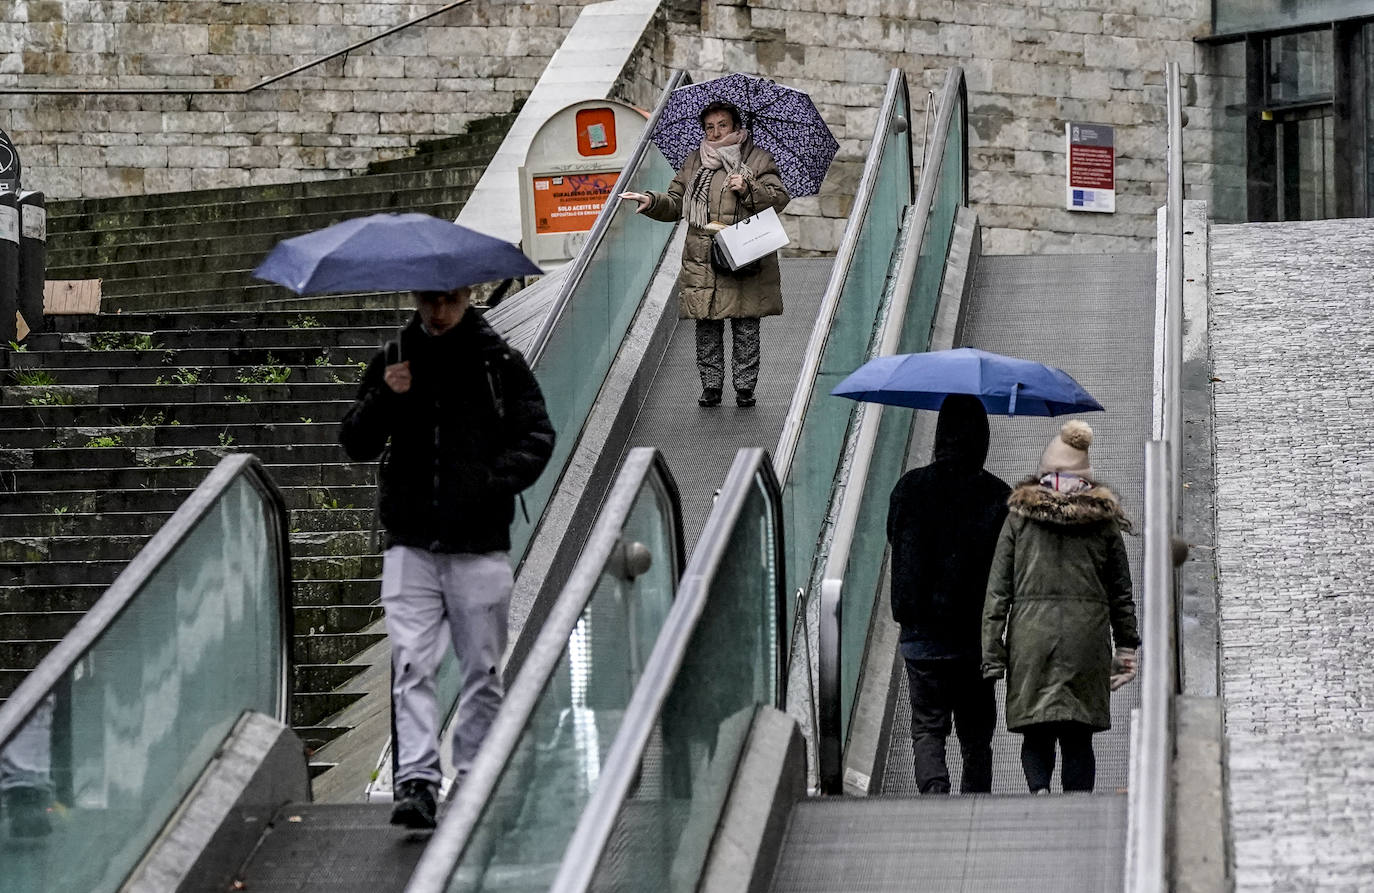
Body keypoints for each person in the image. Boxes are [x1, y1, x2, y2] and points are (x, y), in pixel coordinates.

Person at [340, 286, 554, 829]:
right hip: (410, 540)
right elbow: (355, 442)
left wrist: (492, 481)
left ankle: (475, 771)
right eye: (429, 300)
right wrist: (387, 397)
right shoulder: (394, 360)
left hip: (479, 542)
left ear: (465, 298)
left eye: (449, 300)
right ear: (415, 298)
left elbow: (536, 434)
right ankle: (415, 780)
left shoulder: (497, 362)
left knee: (481, 667)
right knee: (411, 662)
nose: (438, 312)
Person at [981, 419, 1140, 794]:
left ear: (1045, 472)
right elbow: (1121, 592)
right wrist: (1127, 646)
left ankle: (1039, 791)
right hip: (1086, 643)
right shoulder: (1103, 523)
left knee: (1036, 730)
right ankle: (1077, 803)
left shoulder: (1019, 518)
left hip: (1031, 642)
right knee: (1077, 734)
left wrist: (992, 654)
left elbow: (997, 591)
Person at [619, 100, 791, 408]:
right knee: (706, 323)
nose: (715, 132)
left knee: (745, 323)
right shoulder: (694, 161)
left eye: (722, 125)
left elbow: (778, 199)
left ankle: (744, 388)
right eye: (709, 127)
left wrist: (748, 186)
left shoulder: (758, 159)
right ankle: (711, 387)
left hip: (743, 253)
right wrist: (651, 200)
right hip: (703, 255)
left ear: (737, 126)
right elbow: (676, 201)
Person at [887, 394, 1010, 794]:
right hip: (974, 638)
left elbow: (895, 537)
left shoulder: (908, 488)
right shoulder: (996, 495)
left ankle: (934, 796)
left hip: (921, 637)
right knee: (976, 737)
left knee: (927, 728)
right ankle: (976, 801)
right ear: (982, 439)